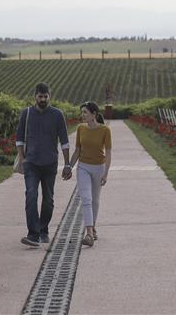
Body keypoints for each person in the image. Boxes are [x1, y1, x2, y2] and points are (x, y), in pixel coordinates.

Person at [16, 82, 71, 247]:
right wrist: (23, 159)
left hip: (50, 164)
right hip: (31, 163)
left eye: (45, 96)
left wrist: (67, 164)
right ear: (35, 96)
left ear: (50, 97)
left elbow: (65, 142)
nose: (42, 99)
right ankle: (33, 234)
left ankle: (43, 229)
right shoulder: (26, 114)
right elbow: (19, 139)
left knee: (48, 200)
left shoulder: (57, 115)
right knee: (31, 196)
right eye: (40, 96)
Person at [67, 101, 111, 247]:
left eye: (85, 112)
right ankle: (89, 234)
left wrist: (105, 173)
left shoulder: (105, 130)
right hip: (83, 167)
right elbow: (77, 151)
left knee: (95, 201)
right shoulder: (80, 128)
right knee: (86, 198)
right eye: (82, 112)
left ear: (94, 114)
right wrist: (69, 167)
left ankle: (92, 227)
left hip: (99, 167)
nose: (83, 115)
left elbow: (108, 153)